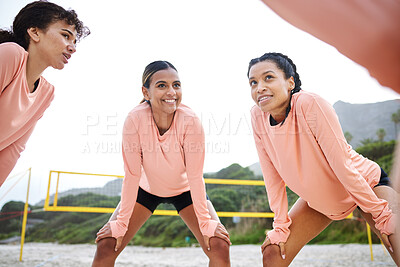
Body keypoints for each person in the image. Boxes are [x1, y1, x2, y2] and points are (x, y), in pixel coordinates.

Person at [248, 52, 399, 266]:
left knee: (397, 240)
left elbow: (342, 166)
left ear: (290, 82)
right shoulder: (257, 117)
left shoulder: (310, 104)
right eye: (253, 82)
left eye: (268, 77)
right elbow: (271, 176)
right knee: (273, 253)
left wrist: (381, 215)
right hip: (321, 201)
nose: (259, 87)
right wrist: (280, 226)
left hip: (365, 184)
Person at [92, 61, 231, 267]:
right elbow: (131, 174)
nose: (171, 91)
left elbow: (195, 176)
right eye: (161, 85)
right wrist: (120, 223)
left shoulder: (190, 121)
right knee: (107, 244)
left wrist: (205, 222)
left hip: (186, 191)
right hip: (145, 190)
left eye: (176, 85)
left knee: (219, 246)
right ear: (145, 92)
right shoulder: (135, 119)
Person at [0, 0, 90, 186]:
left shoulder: (46, 93)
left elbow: (14, 149)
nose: (72, 48)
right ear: (34, 32)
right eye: (65, 36)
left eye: (74, 42)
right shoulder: (11, 54)